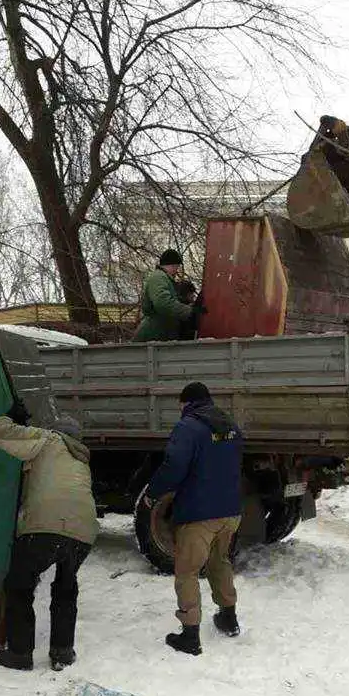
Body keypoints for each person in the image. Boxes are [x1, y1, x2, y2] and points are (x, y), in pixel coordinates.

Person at [0, 399, 98, 671]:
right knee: (65, 587)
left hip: (45, 526)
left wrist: (9, 417)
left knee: (19, 586)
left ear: (57, 431)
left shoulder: (47, 439)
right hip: (83, 531)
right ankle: (62, 652)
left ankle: (21, 653)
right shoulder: (82, 458)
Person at [145, 382, 243, 656]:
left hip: (200, 513)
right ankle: (228, 617)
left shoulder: (188, 427)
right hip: (230, 511)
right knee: (219, 562)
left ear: (187, 403)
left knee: (187, 570)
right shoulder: (230, 425)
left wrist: (154, 493)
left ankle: (190, 635)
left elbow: (174, 465)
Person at [133, 249, 197, 342]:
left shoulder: (164, 278)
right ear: (173, 265)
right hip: (152, 336)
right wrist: (189, 311)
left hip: (156, 336)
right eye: (177, 266)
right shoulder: (158, 277)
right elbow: (163, 303)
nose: (177, 270)